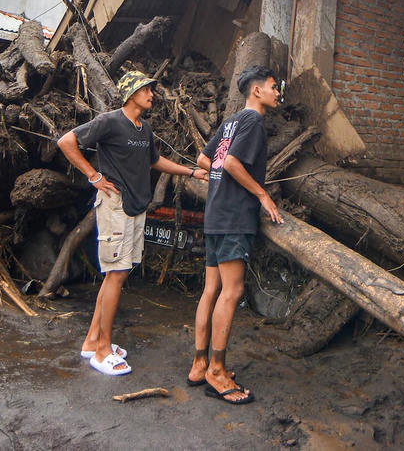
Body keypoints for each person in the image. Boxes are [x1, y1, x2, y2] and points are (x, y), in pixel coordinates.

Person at [58, 69, 208, 376]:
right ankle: (102, 351)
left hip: (135, 206)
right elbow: (66, 141)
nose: (151, 94)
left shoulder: (144, 128)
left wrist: (191, 172)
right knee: (116, 273)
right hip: (114, 204)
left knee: (117, 274)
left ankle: (91, 341)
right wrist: (94, 176)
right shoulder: (110, 121)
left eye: (151, 90)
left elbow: (155, 161)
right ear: (130, 94)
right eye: (145, 90)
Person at [187, 64, 283, 405]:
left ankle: (200, 363)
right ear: (256, 91)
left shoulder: (230, 122)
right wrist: (261, 194)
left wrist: (218, 185)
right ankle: (217, 369)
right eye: (273, 86)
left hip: (215, 213)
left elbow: (203, 159)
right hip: (234, 218)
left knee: (211, 289)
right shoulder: (254, 121)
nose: (277, 91)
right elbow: (229, 163)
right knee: (232, 290)